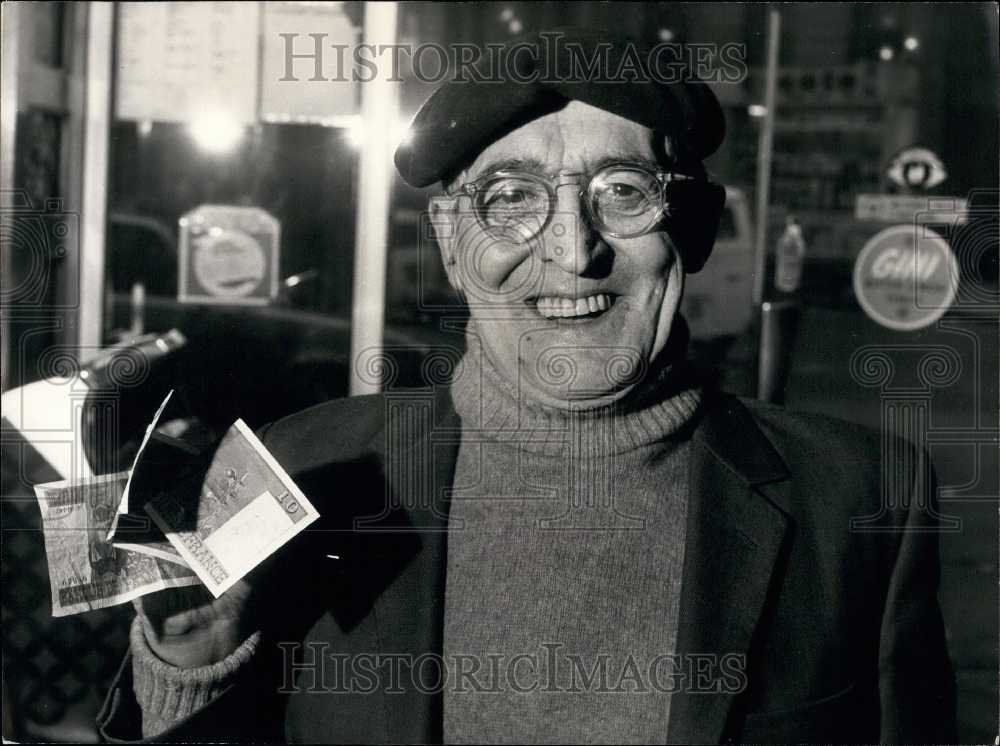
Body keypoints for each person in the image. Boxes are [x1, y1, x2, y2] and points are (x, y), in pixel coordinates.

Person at [97, 29, 955, 744]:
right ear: (450, 240)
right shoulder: (302, 474)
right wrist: (192, 666)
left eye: (624, 192)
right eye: (511, 199)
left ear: (690, 223)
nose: (572, 251)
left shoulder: (860, 503)